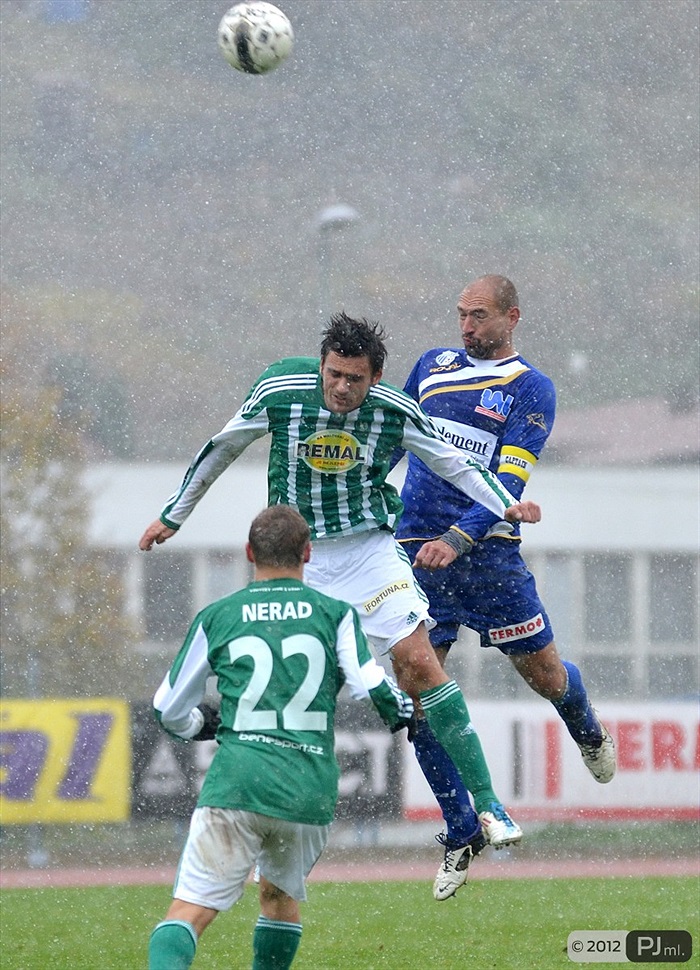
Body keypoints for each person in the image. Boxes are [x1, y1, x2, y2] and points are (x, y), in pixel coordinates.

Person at [140, 312, 542, 899]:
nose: (342, 389)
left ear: (377, 378)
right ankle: (267, 833)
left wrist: (505, 502)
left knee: (421, 665)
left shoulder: (395, 411)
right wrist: (175, 513)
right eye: (334, 375)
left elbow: (455, 463)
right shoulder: (282, 388)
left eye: (355, 379)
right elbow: (222, 447)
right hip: (302, 561)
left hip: (371, 553)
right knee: (290, 691)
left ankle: (488, 807)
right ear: (322, 365)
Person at [394, 275, 617, 898]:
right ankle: (461, 830)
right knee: (418, 697)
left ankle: (585, 725)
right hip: (418, 557)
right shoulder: (431, 368)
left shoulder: (531, 389)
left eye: (480, 315)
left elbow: (507, 483)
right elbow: (393, 443)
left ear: (511, 317)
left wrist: (460, 539)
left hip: (488, 559)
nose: (466, 326)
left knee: (544, 678)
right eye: (460, 314)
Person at [147, 505, 414, 970]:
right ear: (308, 553)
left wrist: (198, 726)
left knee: (189, 910)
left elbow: (166, 709)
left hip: (239, 782)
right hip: (307, 787)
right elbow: (372, 684)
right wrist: (406, 710)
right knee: (278, 898)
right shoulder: (335, 614)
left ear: (249, 552)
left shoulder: (219, 616)